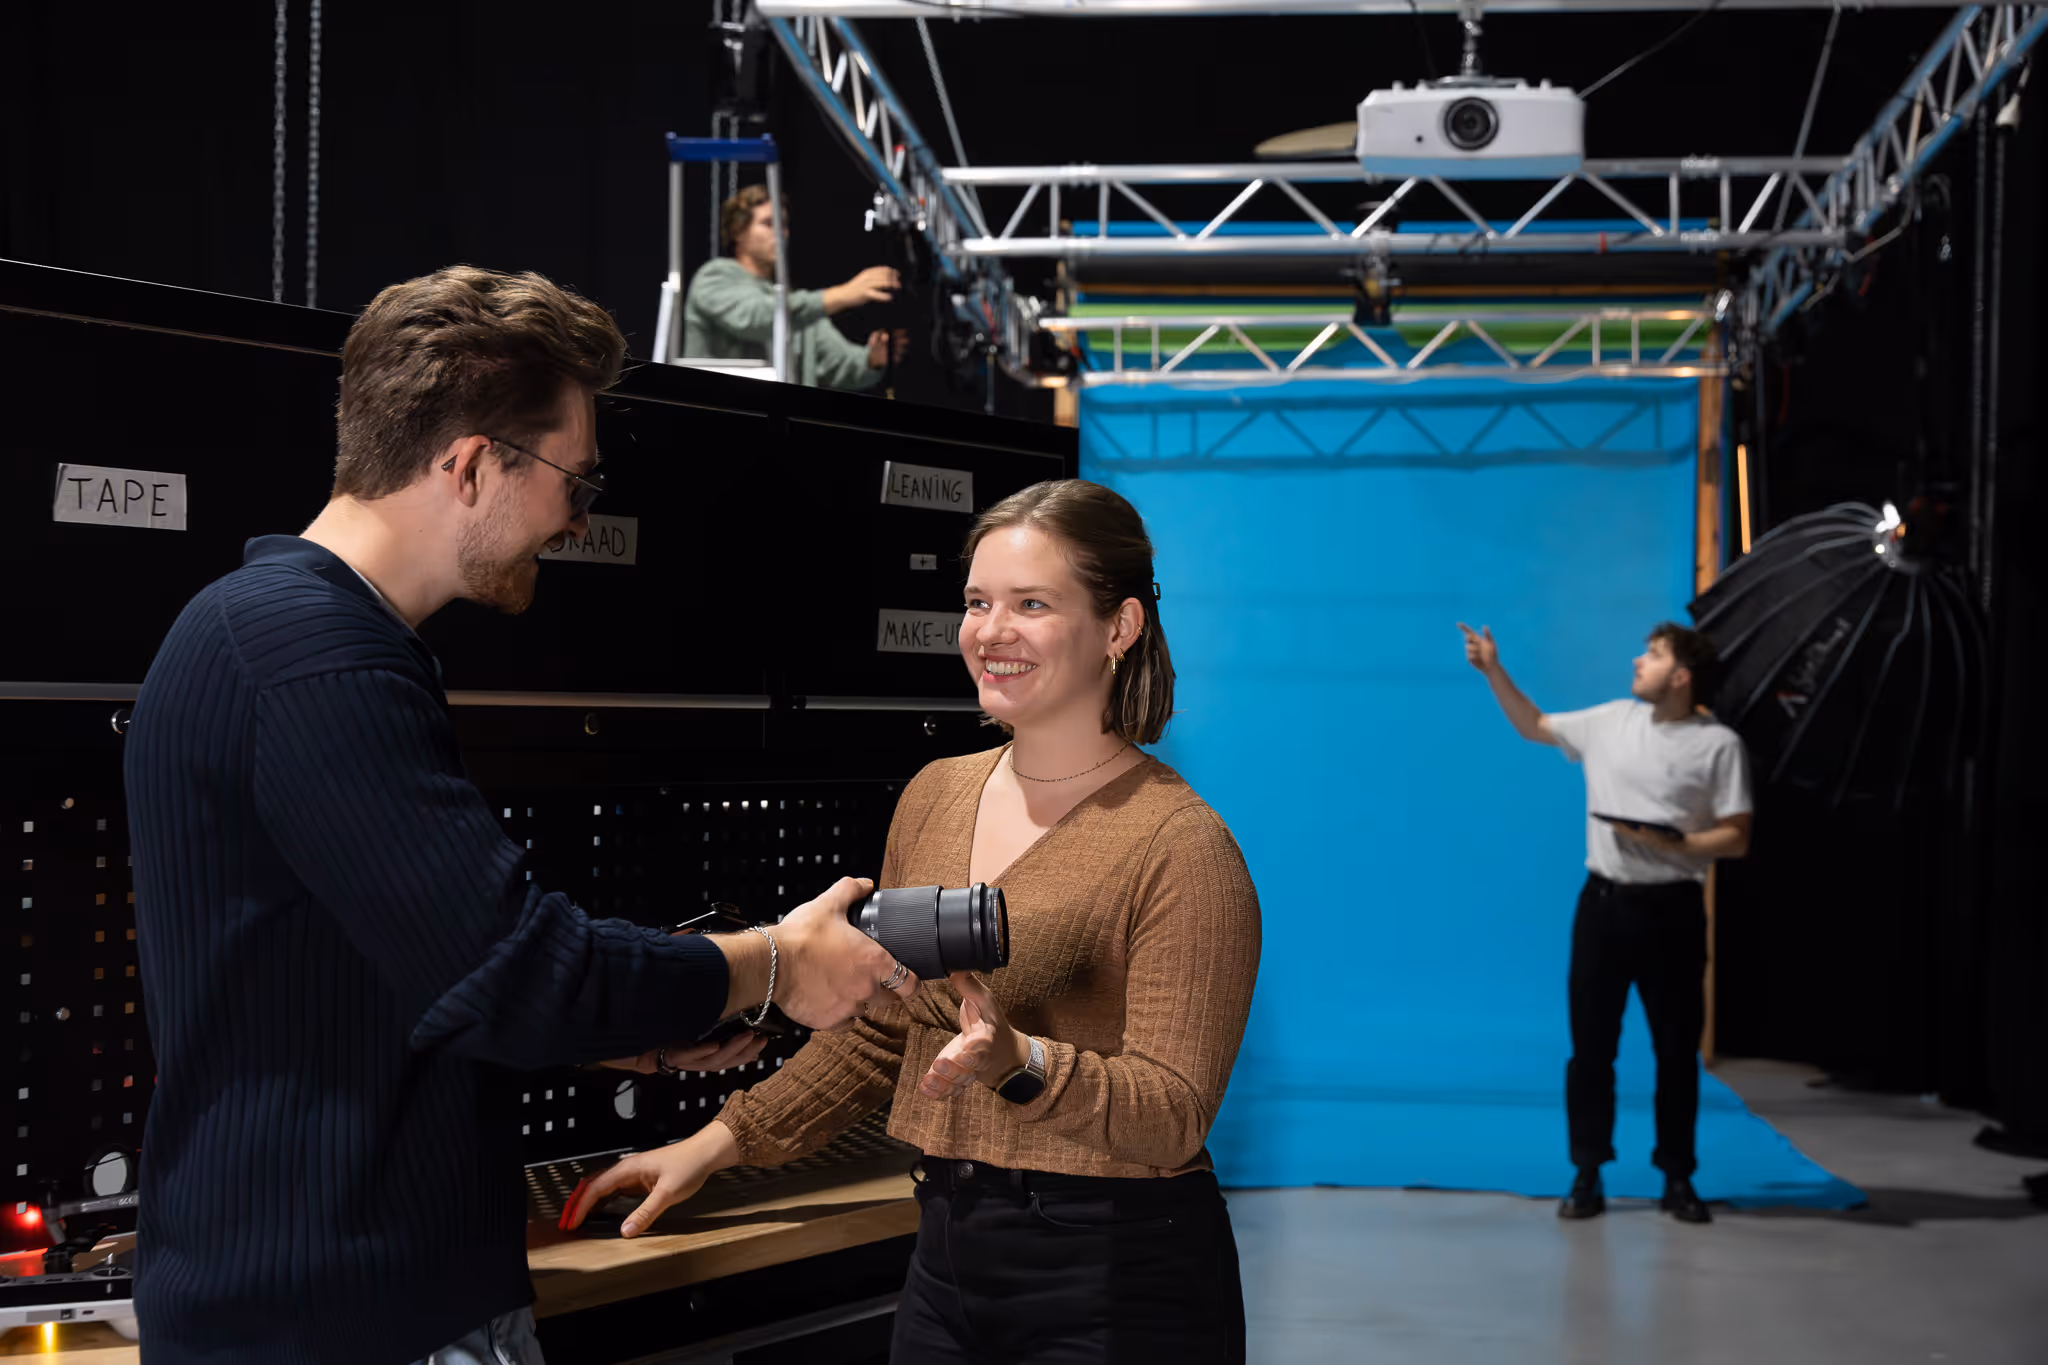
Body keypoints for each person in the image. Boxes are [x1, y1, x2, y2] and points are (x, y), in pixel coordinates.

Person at [124, 265, 919, 1365]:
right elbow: (509, 974)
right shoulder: (319, 661)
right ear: (469, 464)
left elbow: (380, 988)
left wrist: (623, 1028)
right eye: (572, 481)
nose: (576, 519)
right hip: (355, 1322)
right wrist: (775, 963)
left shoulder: (260, 633)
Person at [564, 479, 1263, 1363]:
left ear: (1119, 626)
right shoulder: (935, 795)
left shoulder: (1181, 845)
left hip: (1122, 1272)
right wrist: (713, 1145)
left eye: (1032, 604)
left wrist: (1019, 1062)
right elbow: (883, 1031)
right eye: (977, 602)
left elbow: (1173, 1114)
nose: (991, 631)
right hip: (947, 1253)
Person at [1459, 620, 1753, 1225]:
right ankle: (1587, 1171)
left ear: (1681, 676)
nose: (1639, 661)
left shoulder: (1718, 745)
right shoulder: (1611, 721)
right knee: (1591, 1050)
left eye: (1654, 655)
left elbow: (1737, 836)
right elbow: (1534, 725)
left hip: (1673, 909)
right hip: (1603, 908)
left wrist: (1675, 845)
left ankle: (1677, 1176)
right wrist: (1493, 669)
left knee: (1676, 1052)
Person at [683, 184, 909, 389]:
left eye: (783, 225)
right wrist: (842, 295)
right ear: (738, 232)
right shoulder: (713, 278)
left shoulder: (796, 306)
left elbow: (840, 363)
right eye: (768, 223)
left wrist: (872, 359)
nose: (780, 234)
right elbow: (756, 316)